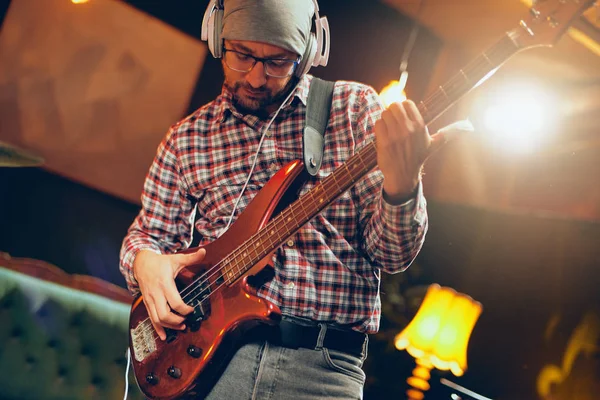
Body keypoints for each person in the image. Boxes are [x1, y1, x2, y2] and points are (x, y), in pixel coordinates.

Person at [120, 0, 449, 398]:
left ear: (309, 53)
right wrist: (144, 262)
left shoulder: (354, 110)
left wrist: (402, 186)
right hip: (213, 363)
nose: (258, 78)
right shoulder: (187, 138)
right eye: (243, 55)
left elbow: (393, 255)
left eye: (279, 61)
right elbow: (148, 236)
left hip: (325, 370)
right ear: (216, 35)